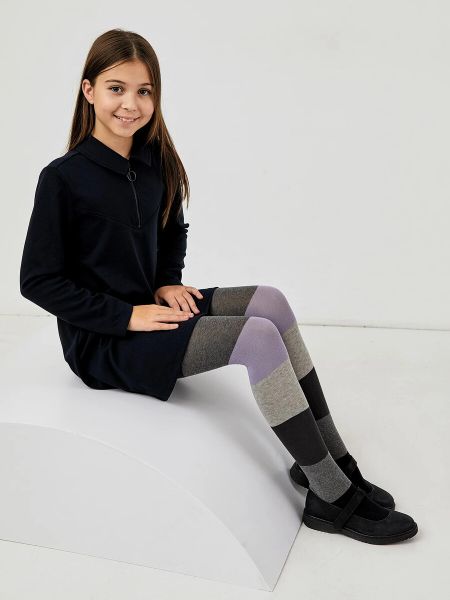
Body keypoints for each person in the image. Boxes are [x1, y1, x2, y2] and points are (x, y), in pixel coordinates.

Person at [19, 28, 418, 545]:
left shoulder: (154, 160)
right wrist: (127, 316)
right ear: (89, 90)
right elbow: (38, 280)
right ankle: (330, 498)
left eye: (144, 91)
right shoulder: (62, 178)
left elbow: (172, 229)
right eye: (117, 88)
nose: (131, 104)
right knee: (256, 339)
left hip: (149, 308)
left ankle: (331, 461)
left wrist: (166, 283)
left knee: (270, 301)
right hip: (105, 341)